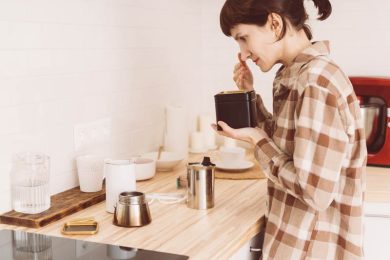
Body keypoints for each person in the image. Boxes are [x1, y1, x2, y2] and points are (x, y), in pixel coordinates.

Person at [214, 0, 367, 259]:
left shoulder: (316, 82)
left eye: (243, 38)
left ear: (274, 24)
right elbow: (288, 146)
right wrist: (249, 96)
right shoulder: (295, 75)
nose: (243, 53)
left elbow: (314, 193)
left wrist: (257, 141)